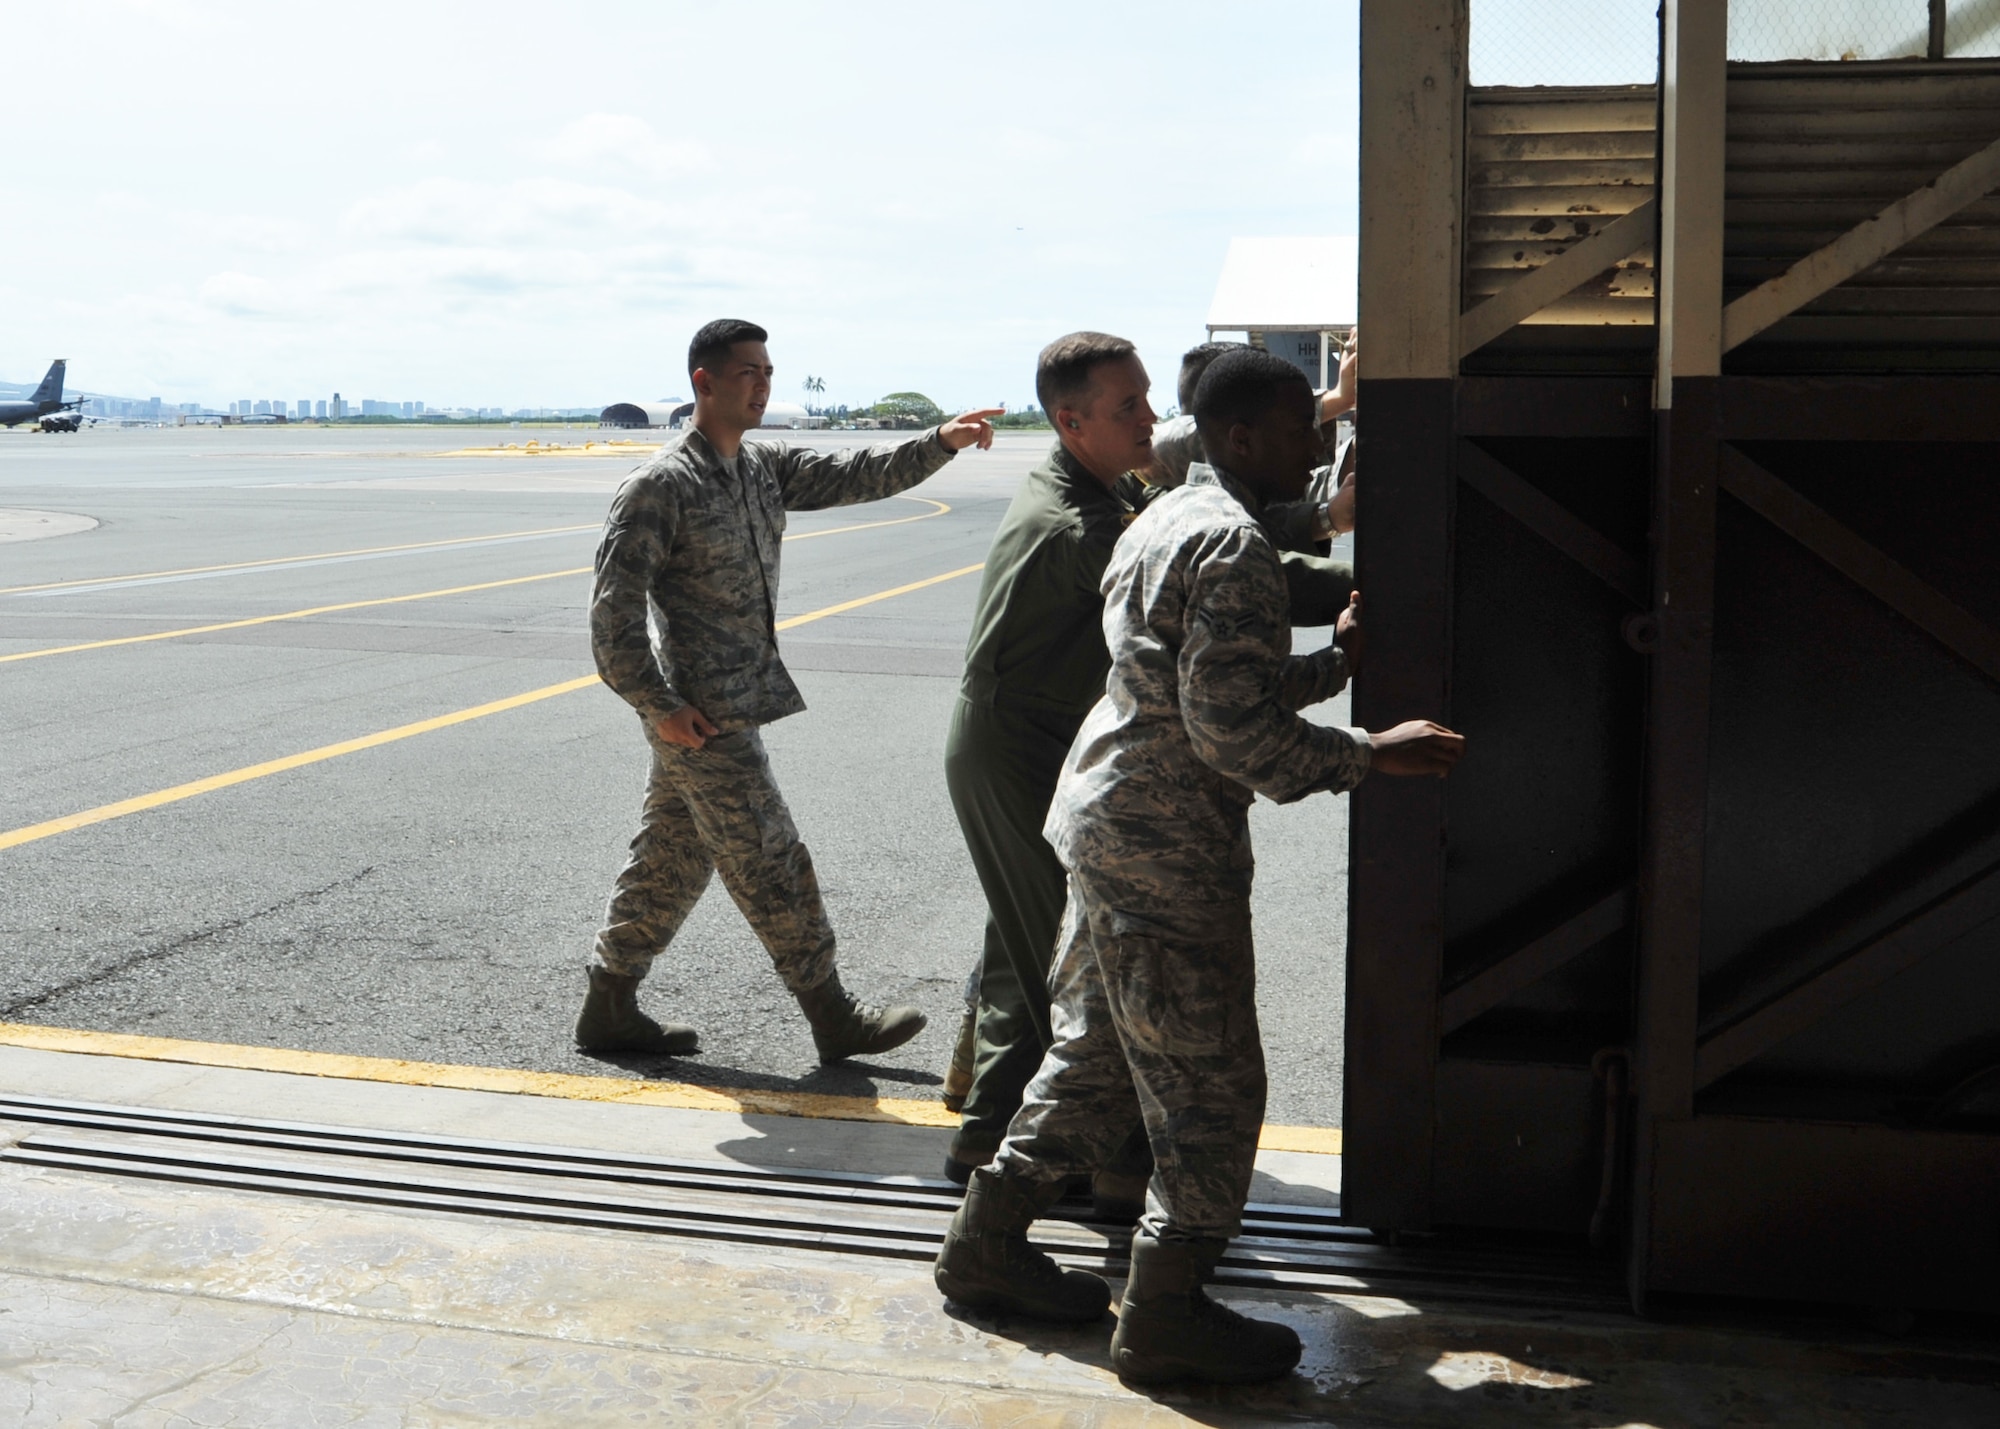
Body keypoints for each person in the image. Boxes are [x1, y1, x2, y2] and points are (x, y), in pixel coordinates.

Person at [933, 347, 1464, 1386]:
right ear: (1238, 437)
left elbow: (1193, 685)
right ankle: (1167, 1311)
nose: (1314, 446)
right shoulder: (1228, 543)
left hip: (1105, 813)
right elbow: (1234, 740)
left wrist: (1333, 664)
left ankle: (984, 1242)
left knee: (1091, 1051)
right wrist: (1371, 754)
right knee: (1209, 1079)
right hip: (1163, 841)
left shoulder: (1166, 515)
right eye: (1296, 430)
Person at [581, 317, 1001, 1064]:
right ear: (703, 383)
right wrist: (660, 706)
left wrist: (939, 442)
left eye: (768, 370)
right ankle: (832, 1014)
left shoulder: (758, 469)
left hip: (729, 708)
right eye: (748, 371)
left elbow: (857, 474)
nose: (763, 382)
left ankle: (608, 1004)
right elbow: (612, 618)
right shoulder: (659, 487)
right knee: (772, 859)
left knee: (671, 858)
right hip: (700, 719)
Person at [1146, 331, 1359, 552]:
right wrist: (1336, 401)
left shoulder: (1258, 485)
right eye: (1299, 431)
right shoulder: (1208, 523)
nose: (1315, 446)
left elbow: (1320, 487)